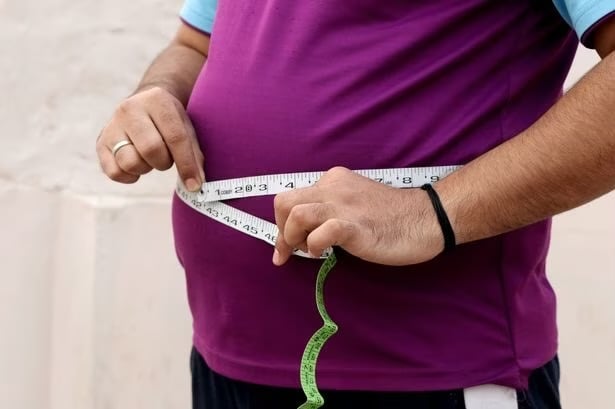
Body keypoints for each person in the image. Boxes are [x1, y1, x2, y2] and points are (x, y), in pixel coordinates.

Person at [95, 0, 615, 408]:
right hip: (224, 360)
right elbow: (194, 43)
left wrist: (430, 211)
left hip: (429, 373)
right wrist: (155, 94)